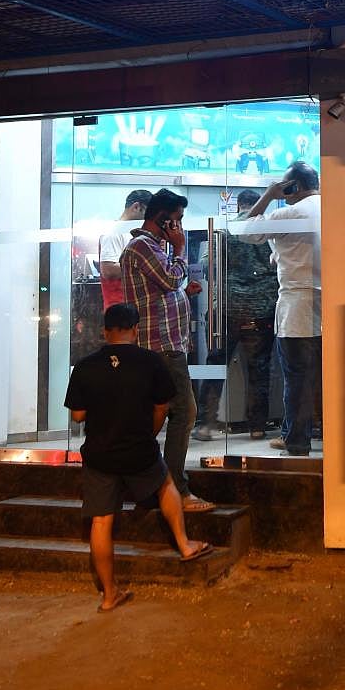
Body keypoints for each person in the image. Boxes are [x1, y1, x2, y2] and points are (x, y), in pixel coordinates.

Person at [64, 302, 212, 613]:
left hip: (100, 454)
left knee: (102, 521)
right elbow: (162, 407)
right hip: (139, 449)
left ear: (104, 331)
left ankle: (108, 595)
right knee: (166, 484)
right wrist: (148, 433)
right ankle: (185, 545)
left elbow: (78, 415)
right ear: (135, 329)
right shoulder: (150, 362)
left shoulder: (86, 366)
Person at [121, 188, 213, 511]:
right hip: (159, 347)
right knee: (184, 413)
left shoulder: (152, 249)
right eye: (177, 221)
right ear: (163, 219)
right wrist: (180, 248)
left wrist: (183, 291)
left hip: (165, 344)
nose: (181, 228)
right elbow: (170, 279)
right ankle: (175, 489)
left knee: (162, 417)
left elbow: (165, 289)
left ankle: (153, 486)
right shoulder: (142, 247)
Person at [238, 161, 321, 457]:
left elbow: (245, 231)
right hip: (330, 305)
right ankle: (316, 435)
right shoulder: (333, 206)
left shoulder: (288, 212)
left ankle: (296, 441)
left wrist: (270, 194)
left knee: (298, 377)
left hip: (297, 308)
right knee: (325, 378)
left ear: (292, 186)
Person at [193, 189, 279, 442]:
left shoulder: (223, 230)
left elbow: (208, 265)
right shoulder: (269, 233)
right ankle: (257, 427)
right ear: (258, 205)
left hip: (226, 310)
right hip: (260, 309)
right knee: (259, 369)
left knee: (215, 366)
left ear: (238, 205)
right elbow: (278, 264)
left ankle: (207, 424)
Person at [98, 189, 152, 310]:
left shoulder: (131, 233)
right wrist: (145, 267)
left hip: (132, 306)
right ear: (137, 207)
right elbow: (108, 269)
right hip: (119, 308)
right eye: (147, 215)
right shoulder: (113, 233)